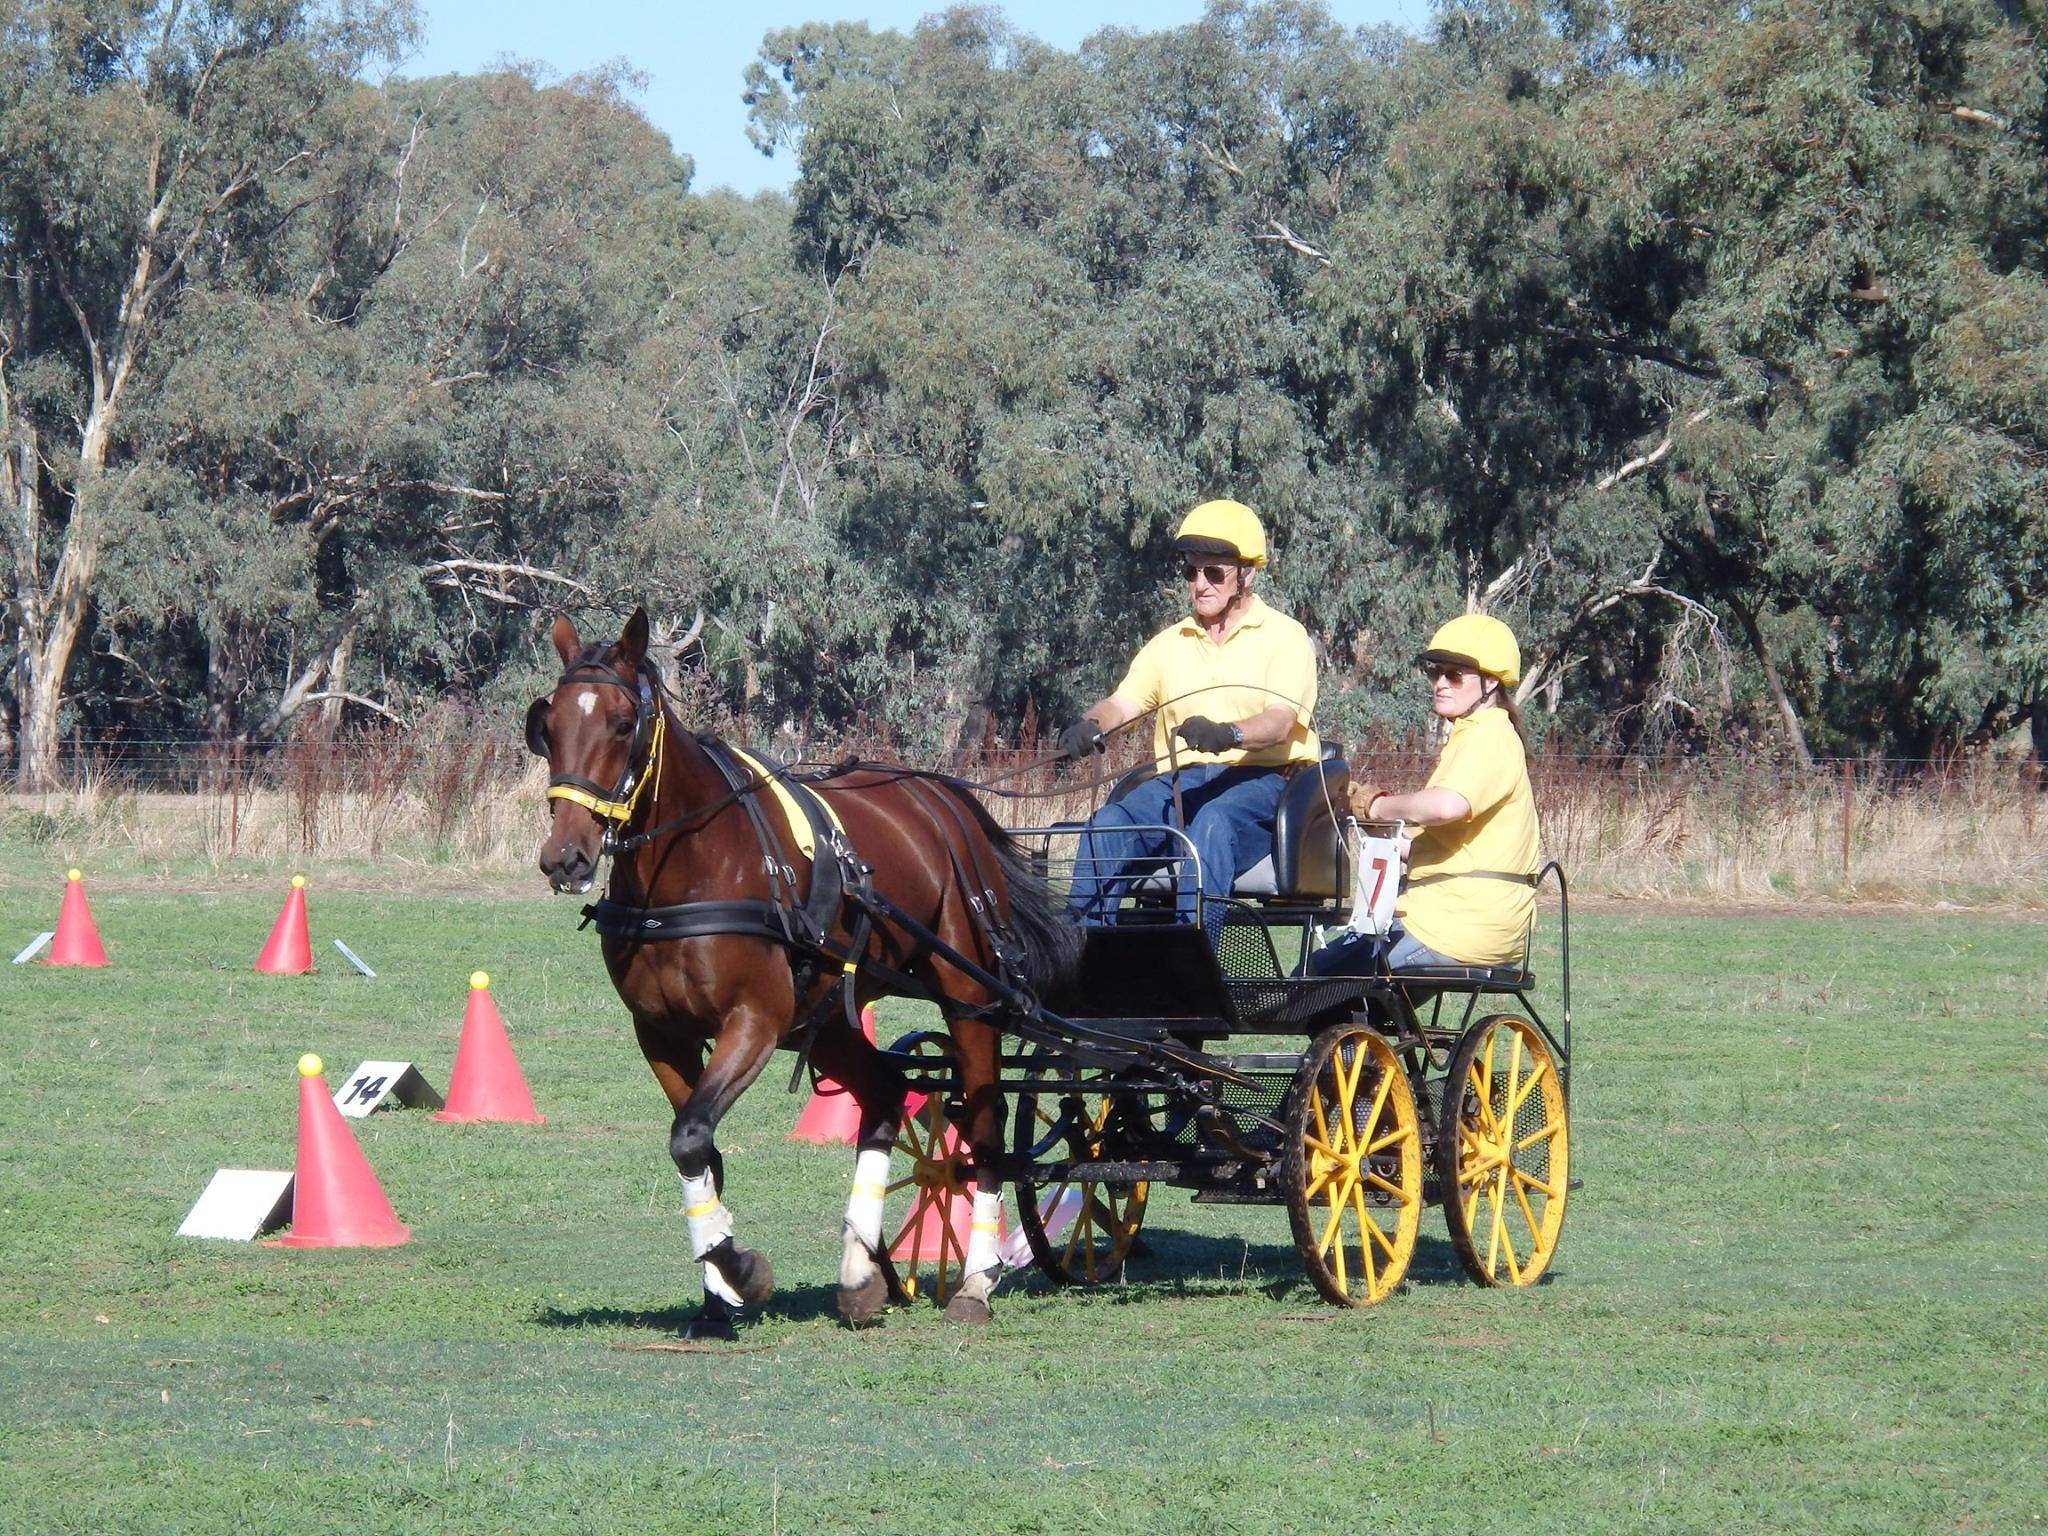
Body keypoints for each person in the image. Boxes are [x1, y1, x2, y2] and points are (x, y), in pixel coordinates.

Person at [1058, 499, 1321, 937]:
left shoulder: (1285, 637)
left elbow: (1279, 722)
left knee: (1212, 823)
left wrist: (1228, 733)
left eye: (1213, 573)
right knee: (1106, 825)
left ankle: (1192, 961)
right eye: (1191, 572)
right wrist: (1092, 724)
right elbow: (1123, 704)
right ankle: (1083, 953)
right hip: (1182, 783)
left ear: (1247, 574)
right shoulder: (1169, 643)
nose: (1199, 585)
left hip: (1265, 781)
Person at [1310, 613, 1539, 974]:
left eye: (1454, 675)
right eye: (1436, 673)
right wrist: (1372, 827)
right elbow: (1442, 847)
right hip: (1459, 917)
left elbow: (1446, 805)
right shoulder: (1474, 735)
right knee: (1334, 982)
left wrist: (1378, 806)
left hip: (1456, 924)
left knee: (1312, 978)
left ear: (1491, 681)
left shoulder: (1490, 736)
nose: (1440, 683)